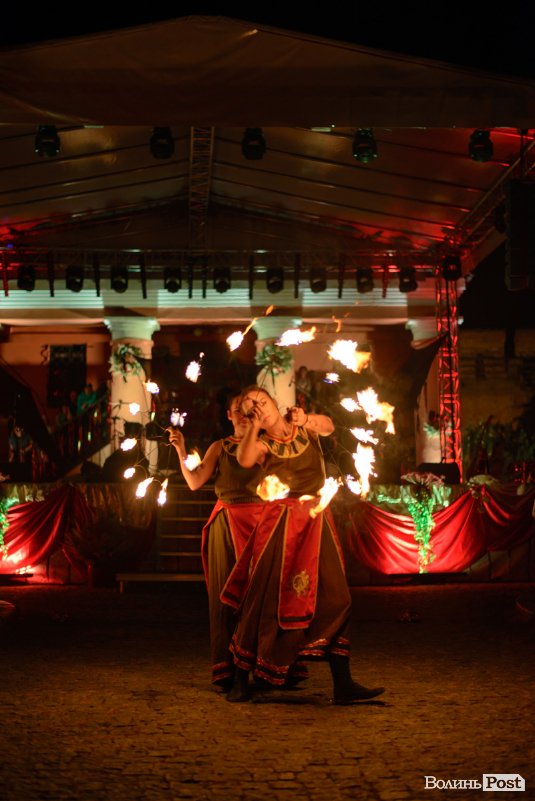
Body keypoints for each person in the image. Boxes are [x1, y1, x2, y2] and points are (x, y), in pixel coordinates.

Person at [223, 385, 385, 704]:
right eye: (249, 406)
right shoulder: (261, 443)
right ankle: (240, 678)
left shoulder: (302, 428)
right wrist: (254, 427)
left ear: (274, 402)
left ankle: (343, 682)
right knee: (263, 600)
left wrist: (305, 417)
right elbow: (244, 459)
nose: (258, 407)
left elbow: (328, 426)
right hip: (279, 527)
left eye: (262, 401)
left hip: (315, 521)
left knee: (336, 597)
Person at [168, 395, 269, 689]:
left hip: (261, 525)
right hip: (225, 526)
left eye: (247, 410)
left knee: (259, 598)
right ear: (228, 414)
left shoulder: (267, 446)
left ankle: (264, 668)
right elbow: (194, 481)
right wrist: (181, 449)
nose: (241, 415)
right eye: (236, 410)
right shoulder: (219, 448)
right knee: (225, 599)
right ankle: (230, 671)